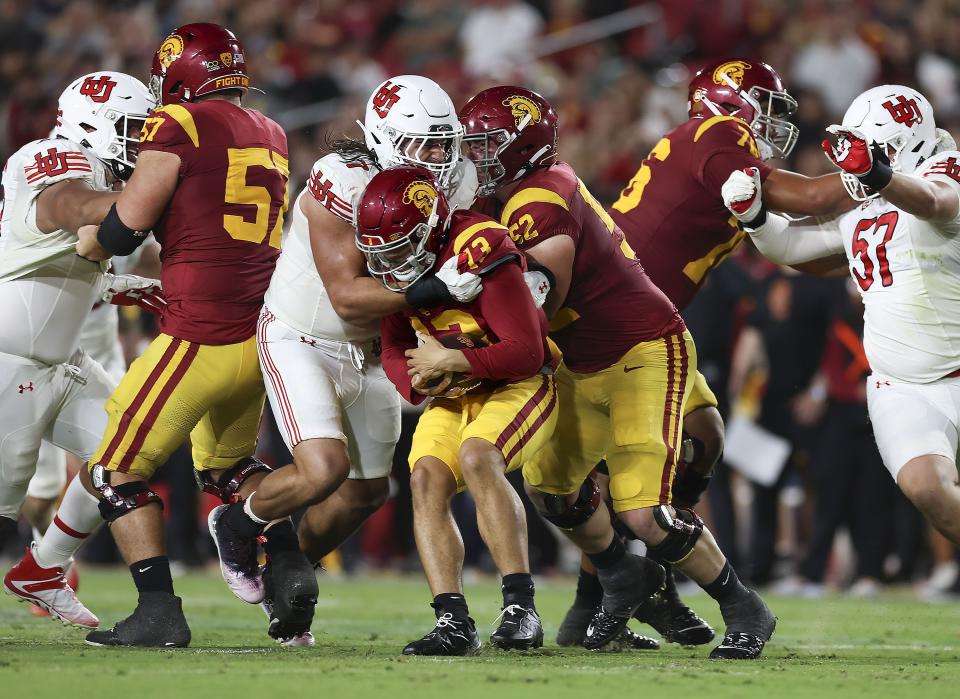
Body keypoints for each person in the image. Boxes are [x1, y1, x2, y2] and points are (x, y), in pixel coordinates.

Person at [460, 85, 776, 659]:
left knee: (643, 510)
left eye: (487, 145)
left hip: (641, 350)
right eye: (473, 144)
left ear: (520, 145)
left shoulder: (538, 202)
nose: (475, 156)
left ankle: (742, 605)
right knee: (551, 490)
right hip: (582, 362)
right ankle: (623, 576)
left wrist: (460, 337)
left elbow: (537, 312)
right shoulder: (515, 193)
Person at [65, 23, 290, 648]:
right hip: (258, 340)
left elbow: (120, 232)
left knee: (113, 470)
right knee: (230, 470)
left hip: (199, 335)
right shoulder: (269, 132)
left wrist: (94, 236)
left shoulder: (181, 125)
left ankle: (158, 610)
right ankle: (291, 565)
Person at [250, 74, 482, 644]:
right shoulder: (341, 179)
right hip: (303, 335)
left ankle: (282, 569)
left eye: (441, 142)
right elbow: (347, 296)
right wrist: (438, 291)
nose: (435, 157)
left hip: (372, 351)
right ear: (383, 139)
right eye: (419, 144)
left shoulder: (459, 183)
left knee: (368, 492)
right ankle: (237, 522)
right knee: (323, 469)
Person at [723, 83, 960, 570]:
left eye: (878, 149)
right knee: (928, 491)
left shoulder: (944, 168)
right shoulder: (866, 198)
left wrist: (876, 171)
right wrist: (755, 220)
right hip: (903, 385)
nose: (865, 161)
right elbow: (797, 253)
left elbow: (935, 202)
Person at [361, 165, 556, 655]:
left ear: (430, 229)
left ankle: (520, 608)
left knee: (477, 455)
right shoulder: (394, 263)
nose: (394, 261)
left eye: (403, 246)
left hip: (521, 384)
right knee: (425, 476)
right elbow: (393, 347)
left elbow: (527, 351)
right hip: (456, 392)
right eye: (384, 251)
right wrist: (416, 378)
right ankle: (452, 620)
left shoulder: (480, 246)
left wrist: (452, 358)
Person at [1, 71, 159, 628]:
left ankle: (43, 568)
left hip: (63, 362)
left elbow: (89, 254)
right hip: (10, 359)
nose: (143, 142)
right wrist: (153, 198)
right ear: (94, 123)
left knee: (127, 452)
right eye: (134, 129)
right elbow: (68, 208)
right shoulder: (49, 157)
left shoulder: (119, 188)